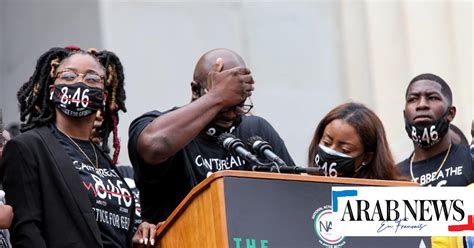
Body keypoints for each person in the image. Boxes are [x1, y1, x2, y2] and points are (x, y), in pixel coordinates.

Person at [0, 46, 154, 247]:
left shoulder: (104, 160)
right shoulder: (28, 147)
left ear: (104, 97)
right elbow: (27, 232)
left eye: (91, 79)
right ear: (53, 91)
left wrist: (134, 234)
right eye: (69, 76)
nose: (79, 83)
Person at [128, 48, 295, 224]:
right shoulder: (158, 124)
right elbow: (153, 147)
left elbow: (295, 195)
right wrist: (217, 97)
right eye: (225, 105)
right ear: (195, 90)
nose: (232, 115)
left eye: (238, 104)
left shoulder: (256, 130)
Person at [398, 73, 473, 187]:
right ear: (404, 115)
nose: (422, 105)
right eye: (413, 99)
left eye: (432, 97)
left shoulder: (470, 159)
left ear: (450, 113)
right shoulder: (392, 175)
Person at [308, 102, 402, 180]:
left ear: (367, 157)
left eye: (345, 150)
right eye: (326, 142)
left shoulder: (388, 197)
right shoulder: (304, 188)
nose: (331, 151)